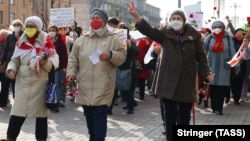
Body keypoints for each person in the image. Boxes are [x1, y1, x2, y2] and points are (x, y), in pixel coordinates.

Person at [126, 2, 213, 141]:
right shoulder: (164, 34)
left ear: (184, 21)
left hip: (186, 81)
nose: (176, 21)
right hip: (168, 81)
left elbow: (201, 57)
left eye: (178, 18)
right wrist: (136, 16)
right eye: (173, 18)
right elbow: (148, 30)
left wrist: (207, 72)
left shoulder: (194, 36)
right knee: (169, 115)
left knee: (184, 117)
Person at [66, 9, 127, 141]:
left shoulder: (113, 38)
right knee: (88, 115)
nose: (95, 20)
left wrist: (110, 55)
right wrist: (71, 74)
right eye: (93, 17)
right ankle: (92, 136)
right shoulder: (81, 40)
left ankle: (99, 138)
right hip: (84, 84)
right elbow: (73, 59)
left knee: (100, 114)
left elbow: (122, 57)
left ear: (104, 21)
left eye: (98, 18)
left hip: (103, 84)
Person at [0, 16, 58, 141]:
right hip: (23, 83)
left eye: (32, 26)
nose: (29, 28)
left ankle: (41, 138)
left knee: (41, 115)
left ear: (38, 27)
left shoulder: (46, 41)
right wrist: (11, 70)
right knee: (17, 112)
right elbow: (14, 60)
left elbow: (53, 64)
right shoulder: (21, 41)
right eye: (28, 26)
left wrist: (45, 63)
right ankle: (10, 138)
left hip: (40, 83)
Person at [204, 20, 240, 115]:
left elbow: (233, 53)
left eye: (219, 27)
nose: (217, 29)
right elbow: (202, 49)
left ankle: (219, 108)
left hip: (224, 67)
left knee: (222, 88)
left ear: (223, 28)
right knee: (213, 88)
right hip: (212, 66)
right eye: (215, 27)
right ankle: (214, 107)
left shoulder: (228, 38)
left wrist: (236, 66)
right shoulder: (210, 38)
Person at [0, 19, 24, 107]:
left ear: (21, 27)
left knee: (15, 84)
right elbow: (5, 50)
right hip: (9, 61)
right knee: (5, 83)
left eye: (18, 25)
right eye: (15, 25)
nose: (16, 26)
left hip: (19, 62)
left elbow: (24, 47)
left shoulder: (24, 35)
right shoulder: (9, 37)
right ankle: (3, 102)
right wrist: (2, 60)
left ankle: (17, 102)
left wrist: (18, 38)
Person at [47, 25, 68, 112]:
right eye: (50, 30)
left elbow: (64, 55)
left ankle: (56, 104)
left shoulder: (60, 42)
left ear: (56, 32)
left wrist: (64, 66)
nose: (51, 31)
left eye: (53, 30)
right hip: (47, 67)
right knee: (49, 85)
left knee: (56, 85)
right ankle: (50, 101)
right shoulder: (46, 40)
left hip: (57, 68)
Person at [0, 29, 11, 107]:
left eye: (4, 35)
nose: (3, 37)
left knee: (5, 86)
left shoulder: (9, 44)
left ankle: (3, 101)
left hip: (5, 67)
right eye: (1, 35)